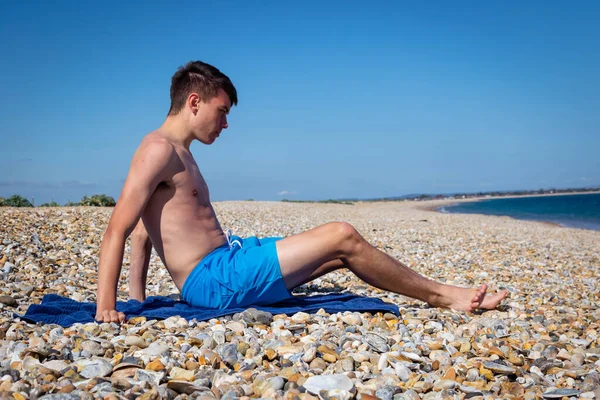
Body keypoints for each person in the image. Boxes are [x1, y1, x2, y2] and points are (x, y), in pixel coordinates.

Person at [95, 61, 507, 323]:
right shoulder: (157, 150)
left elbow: (147, 232)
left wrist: (138, 299)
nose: (225, 125)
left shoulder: (180, 154)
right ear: (195, 101)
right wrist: (106, 307)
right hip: (213, 281)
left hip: (225, 263)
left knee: (337, 251)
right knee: (341, 234)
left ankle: (437, 292)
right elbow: (118, 230)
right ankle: (443, 295)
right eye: (222, 112)